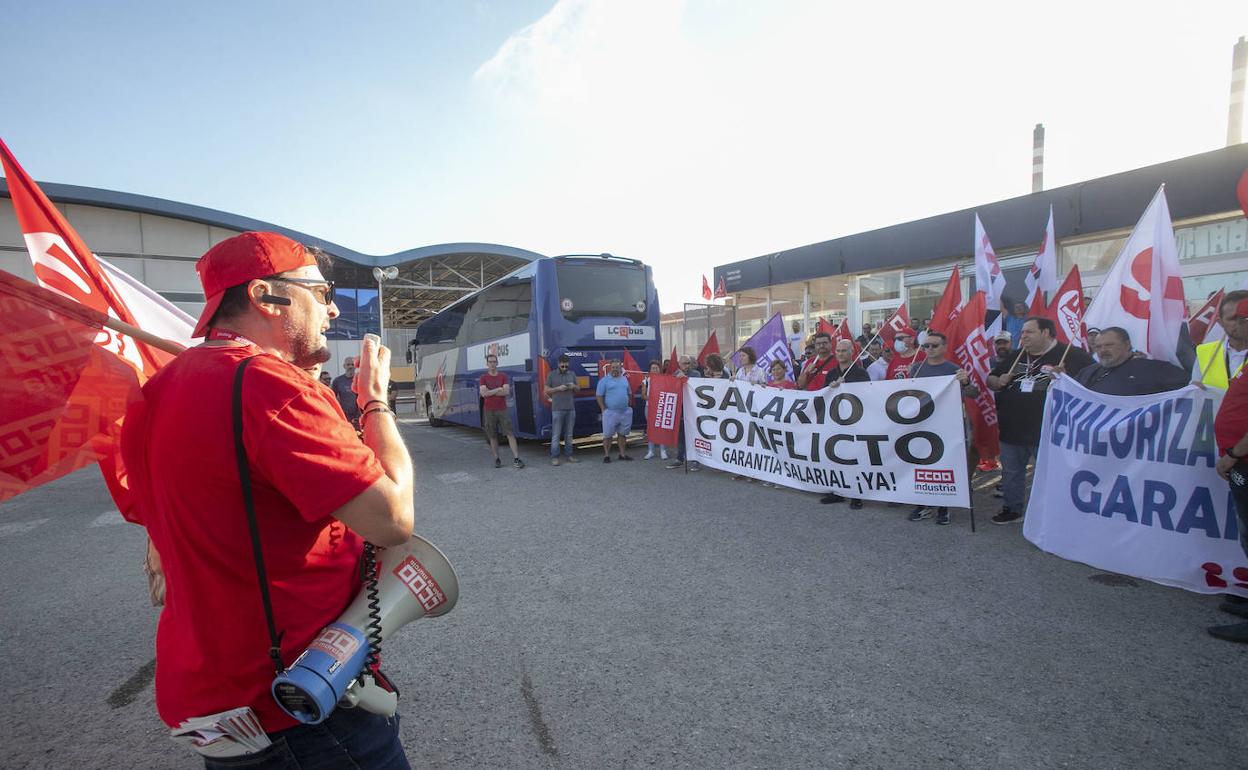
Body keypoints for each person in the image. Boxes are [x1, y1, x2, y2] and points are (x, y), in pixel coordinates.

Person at [118, 231, 415, 768]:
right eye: (321, 291)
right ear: (265, 296)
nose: (331, 307)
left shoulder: (155, 391)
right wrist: (375, 402)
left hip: (218, 698)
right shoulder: (269, 386)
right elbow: (392, 519)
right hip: (301, 701)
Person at [987, 316, 1094, 524]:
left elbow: (1094, 382)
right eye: (1023, 332)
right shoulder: (1017, 356)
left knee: (1051, 473)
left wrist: (1068, 378)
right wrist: (998, 381)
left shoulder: (1071, 355)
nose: (1023, 336)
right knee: (1011, 472)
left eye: (1029, 332)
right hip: (1012, 427)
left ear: (1045, 333)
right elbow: (991, 379)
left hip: (1050, 428)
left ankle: (1054, 514)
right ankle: (1012, 508)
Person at [905, 332, 979, 526]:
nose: (929, 349)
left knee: (945, 465)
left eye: (934, 346)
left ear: (944, 347)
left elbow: (973, 393)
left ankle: (944, 507)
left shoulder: (954, 369)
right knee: (921, 464)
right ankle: (923, 504)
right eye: (926, 346)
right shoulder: (916, 368)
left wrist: (965, 382)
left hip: (948, 425)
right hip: (923, 424)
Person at [1208, 297, 1248, 643]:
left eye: (1241, 320)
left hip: (1240, 456)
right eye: (1233, 319)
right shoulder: (1212, 352)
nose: (1235, 326)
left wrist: (1235, 453)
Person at [820, 340, 872, 509]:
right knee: (835, 456)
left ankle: (856, 494)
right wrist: (831, 387)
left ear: (852, 353)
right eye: (838, 351)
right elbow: (824, 394)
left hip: (854, 422)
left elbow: (867, 395)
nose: (841, 354)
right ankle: (836, 491)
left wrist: (847, 386)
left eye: (844, 351)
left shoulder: (861, 373)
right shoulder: (831, 373)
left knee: (854, 459)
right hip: (835, 420)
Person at [1072, 327, 1189, 395]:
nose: (1103, 350)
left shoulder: (1155, 370)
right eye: (1098, 346)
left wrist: (1193, 389)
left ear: (1127, 344)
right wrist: (1059, 379)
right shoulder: (1087, 373)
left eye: (1109, 345)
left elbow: (1186, 393)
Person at [1194, 289, 1248, 391]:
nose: (1240, 323)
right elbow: (1193, 394)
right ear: (1220, 323)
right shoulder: (1205, 352)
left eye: (1244, 317)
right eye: (1233, 318)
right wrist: (1194, 390)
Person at [481, 353, 524, 469]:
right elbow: (484, 394)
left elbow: (506, 392)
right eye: (490, 362)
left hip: (502, 409)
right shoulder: (483, 378)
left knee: (510, 433)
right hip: (489, 410)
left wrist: (491, 392)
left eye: (494, 362)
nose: (492, 364)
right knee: (492, 436)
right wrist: (498, 389)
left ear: (497, 363)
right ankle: (497, 459)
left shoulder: (503, 376)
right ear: (487, 364)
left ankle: (516, 458)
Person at [665, 356, 703, 470]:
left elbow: (696, 385)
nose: (686, 366)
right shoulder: (675, 374)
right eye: (684, 363)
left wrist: (684, 378)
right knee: (681, 436)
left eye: (688, 363)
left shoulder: (695, 373)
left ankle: (696, 460)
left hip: (692, 409)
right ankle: (679, 458)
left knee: (694, 435)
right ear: (679, 364)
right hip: (680, 409)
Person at [596, 359, 634, 462]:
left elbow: (629, 392)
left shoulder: (624, 379)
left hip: (624, 412)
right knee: (608, 435)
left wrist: (629, 404)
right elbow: (599, 396)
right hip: (610, 412)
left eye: (617, 367)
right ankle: (607, 456)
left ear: (621, 368)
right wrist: (603, 409)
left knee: (622, 434)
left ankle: (622, 454)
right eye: (613, 367)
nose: (615, 369)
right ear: (610, 368)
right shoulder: (604, 380)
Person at [545, 353, 579, 466]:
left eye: (566, 366)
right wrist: (558, 389)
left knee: (569, 434)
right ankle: (554, 457)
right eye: (562, 366)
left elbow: (578, 389)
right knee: (556, 434)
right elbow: (546, 390)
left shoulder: (572, 374)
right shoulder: (551, 375)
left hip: (570, 408)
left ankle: (569, 455)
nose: (564, 368)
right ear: (558, 364)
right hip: (557, 409)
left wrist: (573, 386)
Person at [641, 360, 669, 460]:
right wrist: (652, 398)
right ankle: (651, 451)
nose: (655, 370)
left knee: (662, 429)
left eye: (656, 368)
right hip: (649, 407)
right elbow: (643, 395)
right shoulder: (646, 380)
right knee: (651, 429)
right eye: (653, 368)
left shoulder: (664, 379)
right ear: (650, 370)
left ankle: (663, 450)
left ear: (659, 369)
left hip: (661, 406)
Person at [332, 358, 361, 427]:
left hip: (358, 416)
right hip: (343, 415)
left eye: (352, 364)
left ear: (355, 366)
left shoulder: (360, 380)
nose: (350, 366)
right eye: (348, 364)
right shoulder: (338, 381)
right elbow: (332, 398)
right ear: (344, 366)